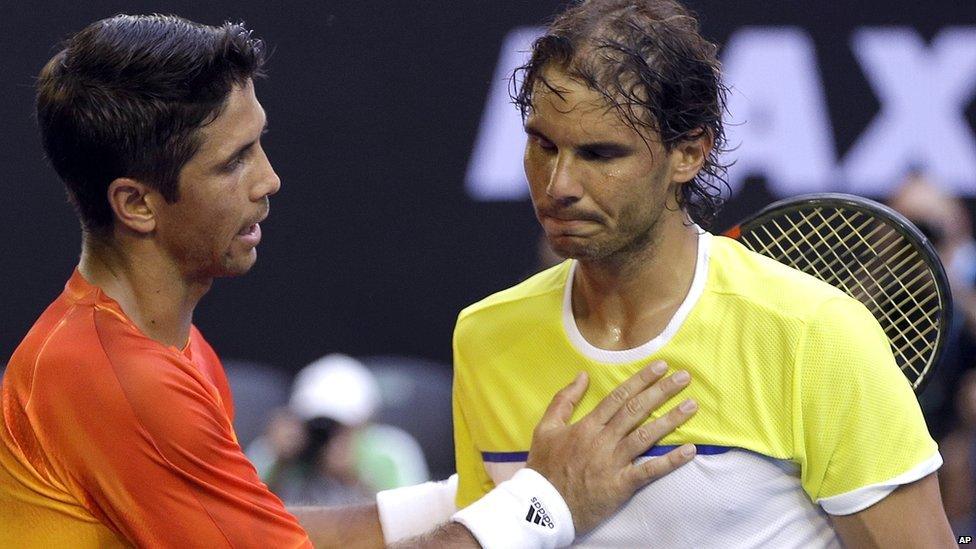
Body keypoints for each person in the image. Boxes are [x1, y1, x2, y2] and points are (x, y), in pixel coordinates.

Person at [0, 14, 699, 548]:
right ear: (137, 204)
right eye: (232, 162)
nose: (269, 180)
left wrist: (471, 495)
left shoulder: (152, 346)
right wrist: (547, 503)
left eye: (260, 144)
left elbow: (266, 529)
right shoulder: (119, 380)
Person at [448, 1, 956, 547]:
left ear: (688, 153)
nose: (558, 185)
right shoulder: (485, 337)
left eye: (600, 153)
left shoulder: (814, 334)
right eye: (543, 145)